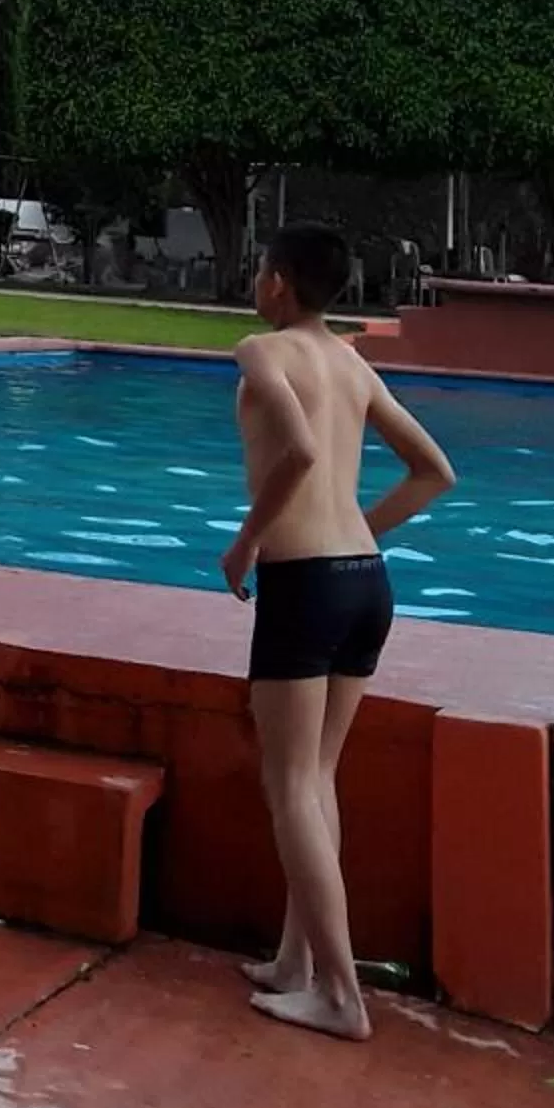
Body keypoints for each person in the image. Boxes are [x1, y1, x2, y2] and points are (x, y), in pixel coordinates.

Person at [217, 222, 458, 1044]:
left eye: (261, 270)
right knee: (316, 777)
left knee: (289, 784)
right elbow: (435, 471)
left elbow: (299, 450)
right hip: (365, 582)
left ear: (280, 282)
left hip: (305, 586)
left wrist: (247, 539)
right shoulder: (353, 363)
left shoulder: (260, 351)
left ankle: (342, 996)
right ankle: (297, 965)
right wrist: (358, 527)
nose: (256, 281)